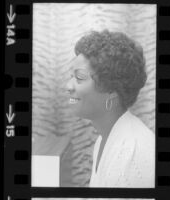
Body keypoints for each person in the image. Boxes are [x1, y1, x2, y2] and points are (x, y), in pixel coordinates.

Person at [66, 30, 155, 188]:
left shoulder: (129, 154)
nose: (68, 86)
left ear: (111, 91)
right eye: (71, 76)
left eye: (79, 77)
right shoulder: (104, 139)